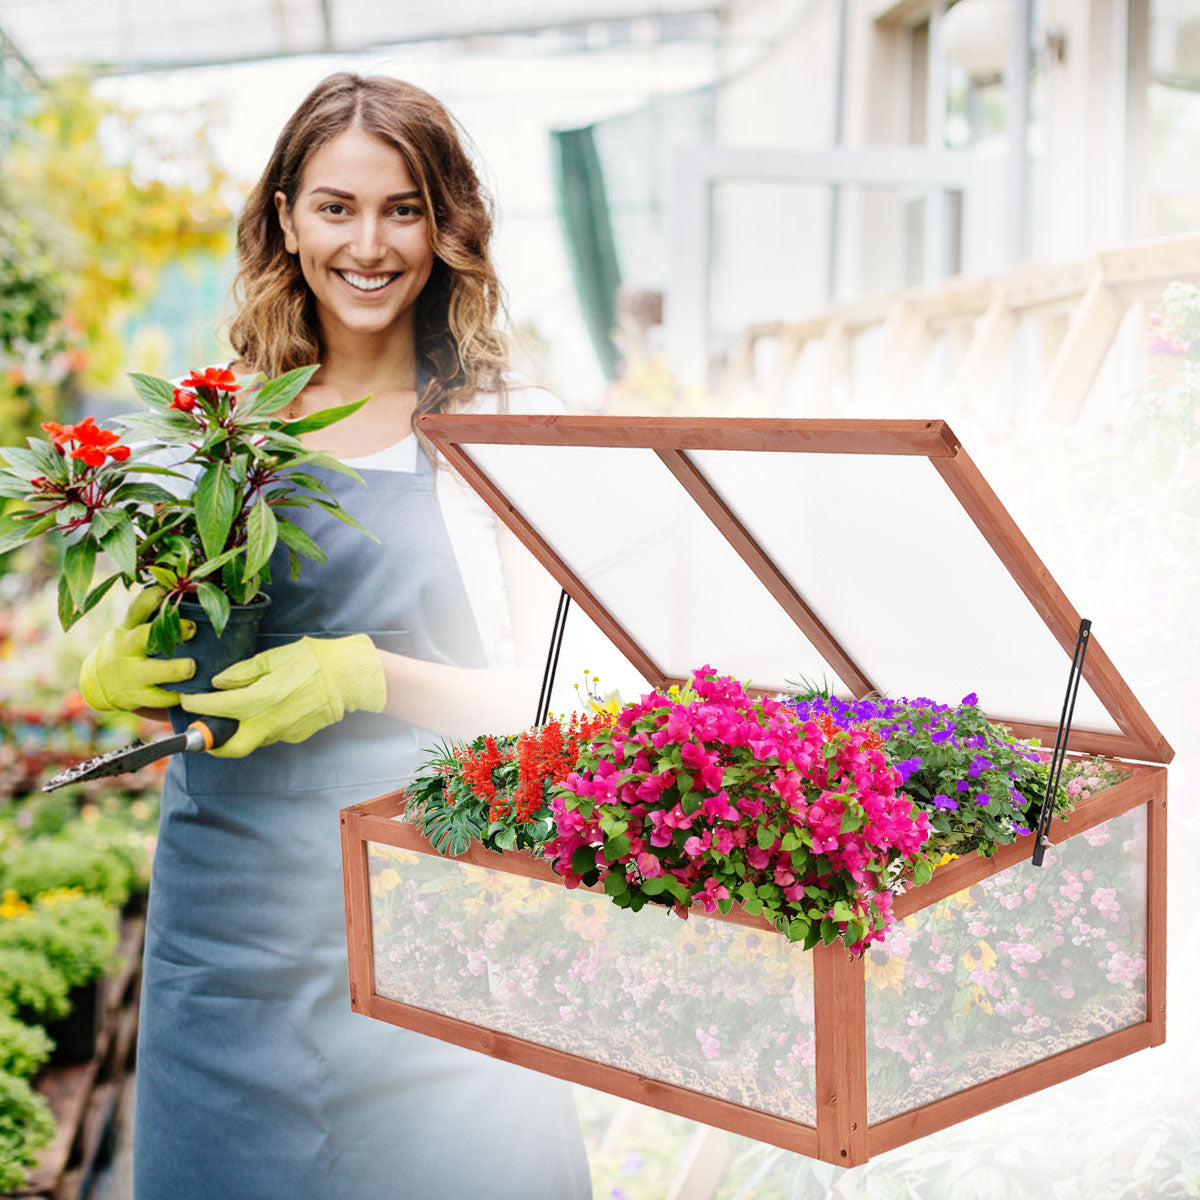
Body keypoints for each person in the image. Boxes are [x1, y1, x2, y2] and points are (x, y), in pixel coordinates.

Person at [78, 73, 592, 1199]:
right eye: (335, 207)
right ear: (284, 221)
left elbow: (570, 696)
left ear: (447, 224)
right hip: (233, 937)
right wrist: (110, 662)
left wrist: (370, 675)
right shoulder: (215, 432)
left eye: (403, 208)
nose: (370, 244)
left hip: (446, 912)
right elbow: (159, 630)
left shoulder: (508, 429)